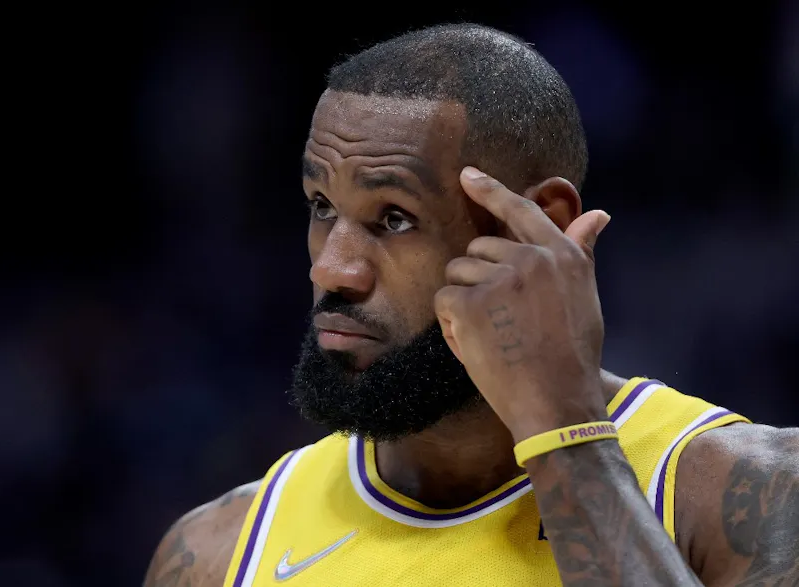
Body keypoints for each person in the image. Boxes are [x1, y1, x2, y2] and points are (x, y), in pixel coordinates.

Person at [144, 23, 799, 586]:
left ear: (532, 227)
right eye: (322, 207)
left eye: (393, 217)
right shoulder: (217, 553)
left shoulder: (743, 494)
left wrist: (563, 431)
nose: (331, 268)